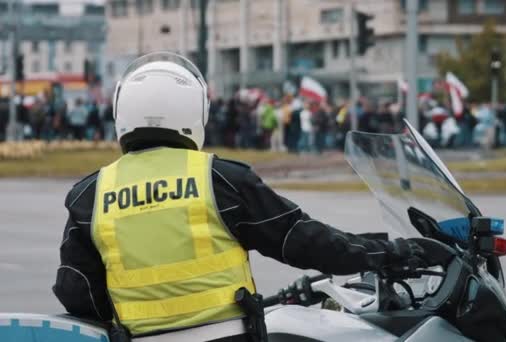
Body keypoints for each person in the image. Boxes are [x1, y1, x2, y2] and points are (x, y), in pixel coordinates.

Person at [53, 52, 435, 342]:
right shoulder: (219, 179)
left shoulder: (90, 195)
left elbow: (77, 292)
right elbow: (306, 242)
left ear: (121, 113)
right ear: (196, 111)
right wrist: (390, 251)